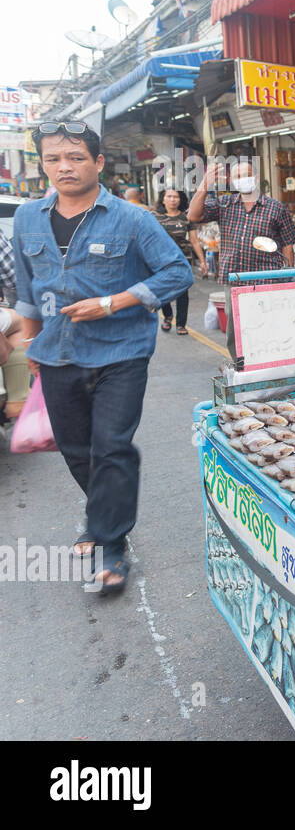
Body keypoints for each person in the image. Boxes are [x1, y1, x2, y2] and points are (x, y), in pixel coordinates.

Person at [12, 121, 193, 594]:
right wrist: (30, 344)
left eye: (74, 157)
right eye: (53, 159)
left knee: (111, 446)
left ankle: (112, 545)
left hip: (121, 352)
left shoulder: (132, 219)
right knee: (76, 452)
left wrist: (113, 302)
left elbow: (177, 273)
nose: (64, 167)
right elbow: (29, 290)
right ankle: (100, 519)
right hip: (55, 354)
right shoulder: (28, 217)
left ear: (97, 163)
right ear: (44, 165)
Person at [187, 160, 295, 281]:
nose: (242, 179)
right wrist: (205, 183)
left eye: (246, 175)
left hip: (266, 279)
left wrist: (288, 280)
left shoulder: (276, 208)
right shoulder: (224, 203)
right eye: (237, 177)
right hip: (233, 279)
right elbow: (193, 216)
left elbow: (288, 247)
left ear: (256, 178)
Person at [154, 188, 202, 335]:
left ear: (180, 200)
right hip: (161, 260)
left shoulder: (187, 218)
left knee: (182, 291)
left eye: (175, 197)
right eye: (169, 196)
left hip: (182, 259)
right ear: (163, 199)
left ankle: (181, 324)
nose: (172, 199)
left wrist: (203, 261)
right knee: (164, 290)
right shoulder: (154, 217)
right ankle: (168, 316)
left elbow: (194, 240)